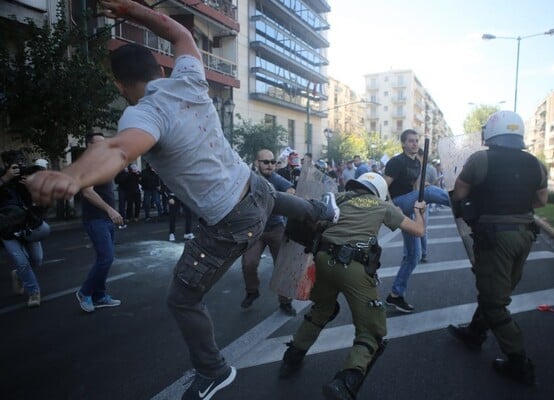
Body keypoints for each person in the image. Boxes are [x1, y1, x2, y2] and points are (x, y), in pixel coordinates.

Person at [25, 1, 339, 398]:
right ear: (161, 69)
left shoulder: (145, 112)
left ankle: (213, 370)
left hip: (231, 220)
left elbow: (120, 150)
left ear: (120, 86)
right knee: (269, 196)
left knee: (182, 297)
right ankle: (319, 209)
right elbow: (181, 34)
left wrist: (71, 175)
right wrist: (130, 8)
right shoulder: (190, 78)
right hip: (255, 188)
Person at [278, 172, 426, 399]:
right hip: (354, 268)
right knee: (371, 331)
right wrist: (419, 212)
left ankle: (292, 356)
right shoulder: (382, 205)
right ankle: (345, 382)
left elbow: (312, 215)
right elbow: (418, 231)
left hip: (322, 260)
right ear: (379, 191)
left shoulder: (339, 197)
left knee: (321, 310)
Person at [447, 110, 547, 386]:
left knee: (494, 300)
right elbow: (540, 200)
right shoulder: (536, 163)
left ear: (491, 133)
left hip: (495, 238)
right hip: (525, 235)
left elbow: (460, 194)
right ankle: (475, 333)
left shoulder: (481, 159)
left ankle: (518, 361)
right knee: (497, 289)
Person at [384, 131, 450, 313]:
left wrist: (423, 195)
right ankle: (459, 203)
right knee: (429, 193)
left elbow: (416, 187)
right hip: (398, 203)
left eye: (416, 141)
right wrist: (392, 207)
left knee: (414, 255)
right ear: (403, 144)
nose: (414, 144)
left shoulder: (416, 162)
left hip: (410, 203)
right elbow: (383, 185)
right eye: (410, 141)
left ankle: (395, 295)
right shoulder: (397, 162)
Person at [240, 149, 296, 316]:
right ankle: (252, 291)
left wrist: (286, 197)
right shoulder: (248, 179)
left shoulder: (276, 179)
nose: (270, 165)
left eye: (272, 161)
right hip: (255, 230)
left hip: (276, 229)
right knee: (248, 264)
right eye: (266, 162)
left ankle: (285, 302)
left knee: (283, 266)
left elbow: (291, 190)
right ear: (257, 163)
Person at [76, 133, 124, 313]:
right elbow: (87, 191)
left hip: (105, 219)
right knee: (106, 257)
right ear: (88, 145)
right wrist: (110, 210)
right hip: (96, 218)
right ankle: (85, 292)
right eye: (98, 144)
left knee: (105, 258)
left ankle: (99, 296)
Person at [1, 150, 48, 307]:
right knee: (22, 262)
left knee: (37, 259)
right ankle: (34, 292)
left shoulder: (28, 175)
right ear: (6, 165)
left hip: (28, 224)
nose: (18, 167)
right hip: (6, 228)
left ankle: (19, 276)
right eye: (14, 164)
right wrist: (5, 179)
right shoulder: (2, 178)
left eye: (21, 162)